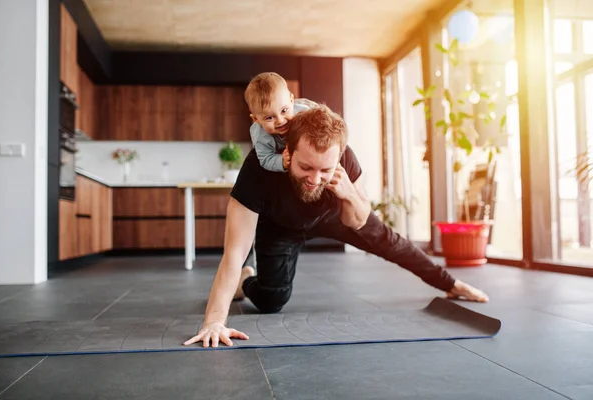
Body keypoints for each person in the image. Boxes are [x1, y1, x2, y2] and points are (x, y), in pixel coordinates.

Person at [184, 104, 489, 348]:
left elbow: (360, 221)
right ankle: (247, 280)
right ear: (287, 152)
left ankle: (450, 283)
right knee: (271, 301)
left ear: (339, 157)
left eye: (325, 170)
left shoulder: (346, 162)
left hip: (331, 215)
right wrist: (214, 321)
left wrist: (347, 193)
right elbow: (234, 253)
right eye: (305, 167)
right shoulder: (258, 169)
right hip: (279, 226)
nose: (315, 179)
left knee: (388, 240)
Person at [244, 72, 317, 172]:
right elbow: (265, 159)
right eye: (269, 117)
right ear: (256, 119)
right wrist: (281, 161)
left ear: (291, 101)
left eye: (283, 111)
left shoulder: (305, 113)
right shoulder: (261, 137)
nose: (280, 120)